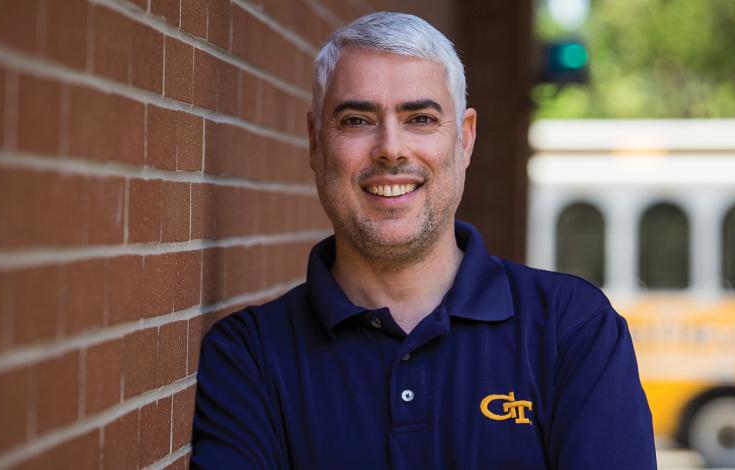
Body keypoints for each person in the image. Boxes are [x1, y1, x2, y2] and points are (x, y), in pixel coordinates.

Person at [191, 11, 656, 469]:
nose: (391, 148)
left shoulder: (572, 329)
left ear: (465, 139)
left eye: (420, 118)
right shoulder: (248, 356)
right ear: (316, 142)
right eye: (356, 120)